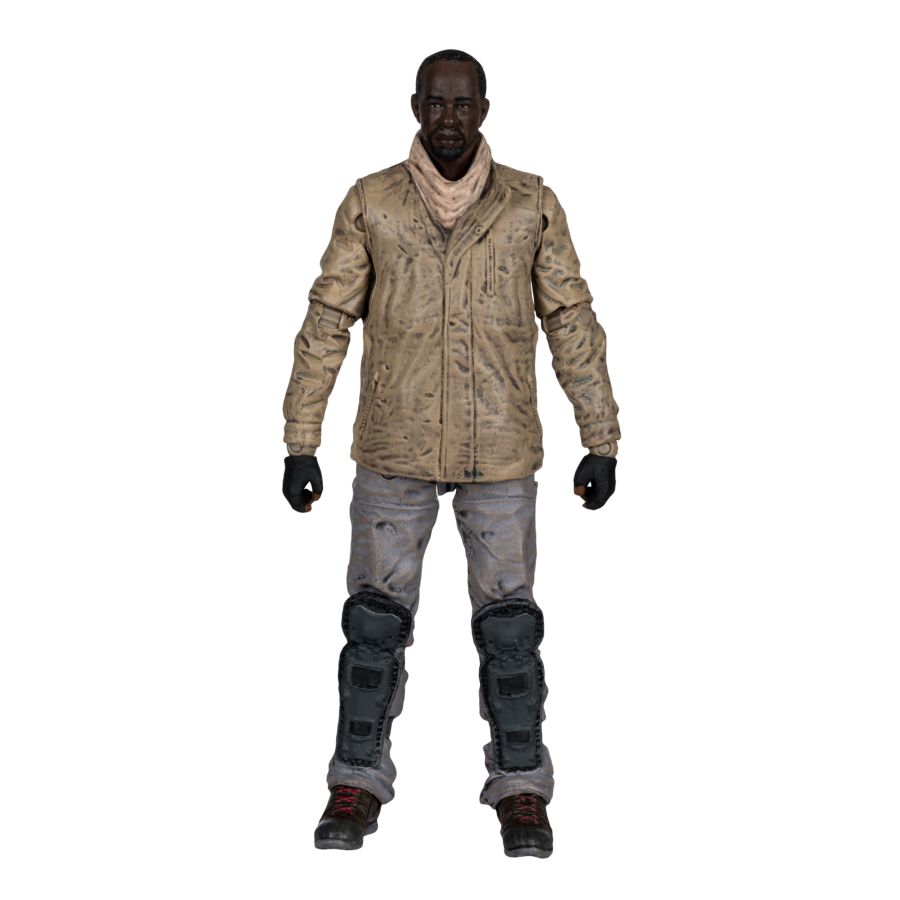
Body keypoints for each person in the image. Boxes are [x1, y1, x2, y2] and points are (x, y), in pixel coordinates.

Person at [282, 49, 620, 858]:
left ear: (484, 110)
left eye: (463, 104)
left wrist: (600, 435)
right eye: (436, 103)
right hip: (393, 443)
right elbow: (328, 318)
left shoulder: (530, 205)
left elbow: (570, 318)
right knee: (373, 625)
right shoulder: (372, 203)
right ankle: (356, 779)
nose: (449, 119)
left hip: (499, 447)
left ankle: (521, 785)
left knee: (510, 631)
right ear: (415, 107)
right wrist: (301, 438)